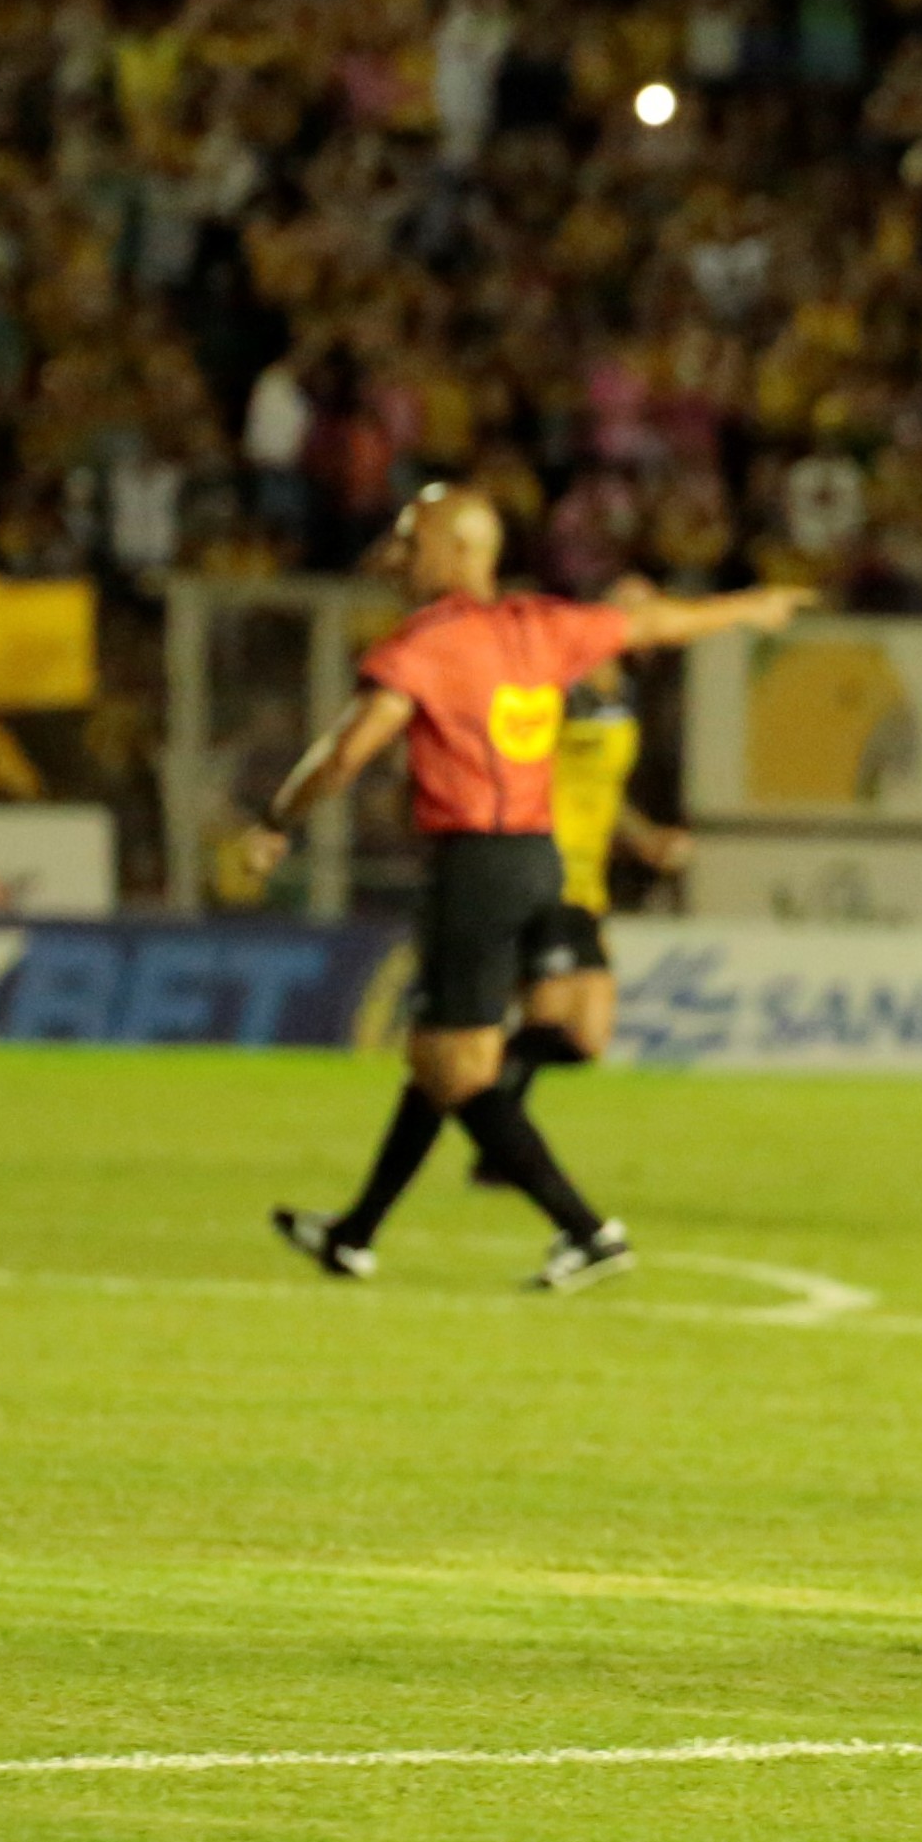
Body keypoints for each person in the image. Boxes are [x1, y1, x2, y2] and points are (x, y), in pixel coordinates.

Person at [244, 490, 802, 1287]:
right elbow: (651, 626)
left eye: (412, 542)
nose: (397, 558)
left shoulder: (426, 646)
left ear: (463, 551)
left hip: (475, 863)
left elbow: (345, 752)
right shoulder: (540, 628)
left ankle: (586, 1232)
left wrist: (277, 818)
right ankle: (355, 1233)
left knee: (457, 1066)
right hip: (536, 860)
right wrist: (749, 606)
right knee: (441, 1055)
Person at [467, 649, 695, 1182]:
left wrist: (645, 839)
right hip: (547, 872)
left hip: (588, 885)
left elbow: (602, 791)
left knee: (585, 1037)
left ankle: (471, 1084)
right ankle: (492, 1143)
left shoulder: (621, 699)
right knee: (554, 1019)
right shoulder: (557, 694)